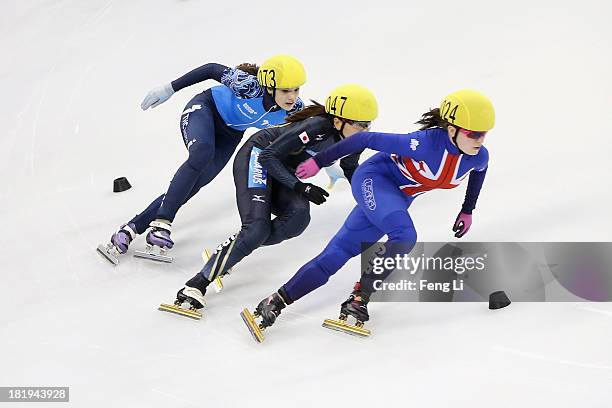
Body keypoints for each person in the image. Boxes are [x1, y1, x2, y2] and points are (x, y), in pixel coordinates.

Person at [240, 89, 495, 341]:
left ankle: (275, 301)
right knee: (405, 235)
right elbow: (364, 140)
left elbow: (480, 172)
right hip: (374, 180)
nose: (480, 139)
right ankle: (360, 297)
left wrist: (467, 210)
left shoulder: (478, 157)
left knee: (338, 253)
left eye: (484, 134)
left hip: (397, 199)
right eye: (473, 133)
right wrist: (319, 162)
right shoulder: (424, 143)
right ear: (452, 130)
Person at [159, 84, 379, 318]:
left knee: (298, 220)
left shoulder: (356, 140)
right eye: (361, 124)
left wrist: (369, 201)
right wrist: (300, 186)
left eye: (369, 124)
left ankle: (233, 250)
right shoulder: (316, 127)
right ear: (338, 121)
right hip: (259, 155)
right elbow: (268, 156)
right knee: (256, 228)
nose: (366, 130)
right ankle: (195, 284)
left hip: (283, 169)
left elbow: (350, 167)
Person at [97, 55, 307, 265]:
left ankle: (131, 228)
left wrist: (322, 161)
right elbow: (210, 68)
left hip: (230, 134)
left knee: (195, 183)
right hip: (205, 109)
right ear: (270, 87)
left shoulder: (295, 111)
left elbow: (312, 135)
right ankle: (162, 223)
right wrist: (170, 88)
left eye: (296, 89)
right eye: (286, 90)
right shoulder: (249, 86)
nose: (292, 97)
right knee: (202, 153)